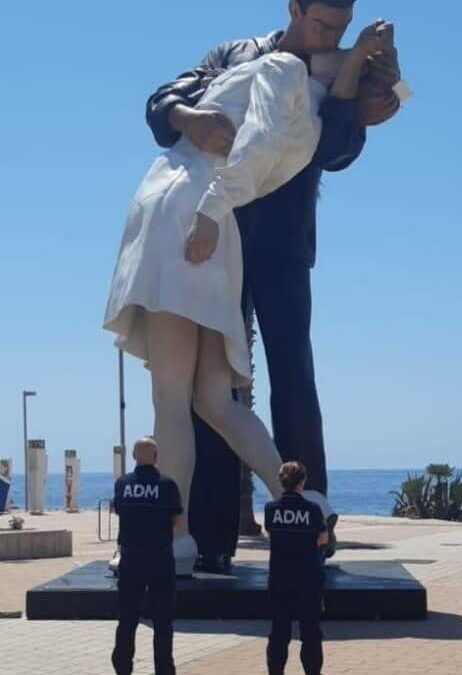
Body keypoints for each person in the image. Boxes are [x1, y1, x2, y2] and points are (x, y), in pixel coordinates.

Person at [105, 15, 394, 576]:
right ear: (294, 9)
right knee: (213, 397)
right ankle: (244, 526)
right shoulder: (243, 54)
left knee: (268, 384)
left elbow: (335, 147)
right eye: (323, 23)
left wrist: (361, 77)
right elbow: (168, 98)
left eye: (342, 30)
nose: (332, 37)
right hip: (216, 227)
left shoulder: (316, 83)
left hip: (231, 230)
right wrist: (187, 117)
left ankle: (193, 536)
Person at [111, 438, 183, 675]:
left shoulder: (122, 484)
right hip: (160, 558)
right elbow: (176, 521)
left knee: (127, 618)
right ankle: (164, 669)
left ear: (133, 456)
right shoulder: (168, 485)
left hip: (131, 558)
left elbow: (119, 510)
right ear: (156, 457)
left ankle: (123, 668)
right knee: (163, 622)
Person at [265, 461, 329, 675]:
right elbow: (322, 538)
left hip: (280, 578)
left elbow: (272, 534)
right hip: (308, 579)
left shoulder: (271, 509)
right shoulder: (312, 509)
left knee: (279, 633)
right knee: (310, 632)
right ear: (302, 481)